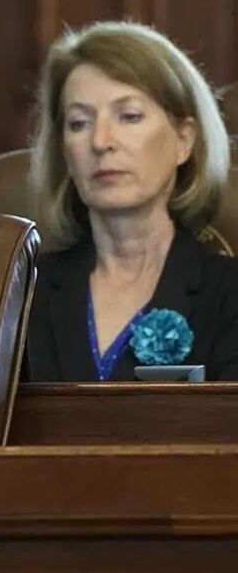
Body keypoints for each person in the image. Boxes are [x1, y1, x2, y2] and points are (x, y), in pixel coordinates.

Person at [26, 21, 238, 382]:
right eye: (79, 123)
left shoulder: (228, 293)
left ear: (184, 140)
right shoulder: (25, 293)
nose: (101, 141)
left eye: (129, 116)